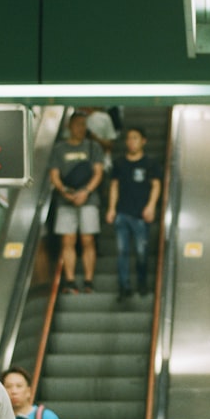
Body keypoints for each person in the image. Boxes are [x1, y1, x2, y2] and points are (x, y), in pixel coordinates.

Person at [49, 111, 105, 294]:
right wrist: (64, 191)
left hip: (89, 199)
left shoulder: (93, 146)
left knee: (88, 239)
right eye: (78, 124)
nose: (82, 128)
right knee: (68, 240)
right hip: (66, 200)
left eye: (84, 125)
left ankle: (89, 280)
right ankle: (70, 280)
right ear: (69, 126)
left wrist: (86, 192)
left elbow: (98, 172)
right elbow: (54, 174)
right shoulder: (59, 149)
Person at [106, 127, 162, 301]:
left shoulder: (150, 163)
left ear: (143, 141)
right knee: (122, 251)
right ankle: (124, 287)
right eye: (129, 138)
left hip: (140, 215)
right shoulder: (119, 163)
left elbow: (156, 185)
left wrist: (151, 206)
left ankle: (142, 282)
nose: (132, 142)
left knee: (141, 251)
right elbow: (114, 186)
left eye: (135, 138)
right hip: (122, 213)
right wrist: (111, 209)